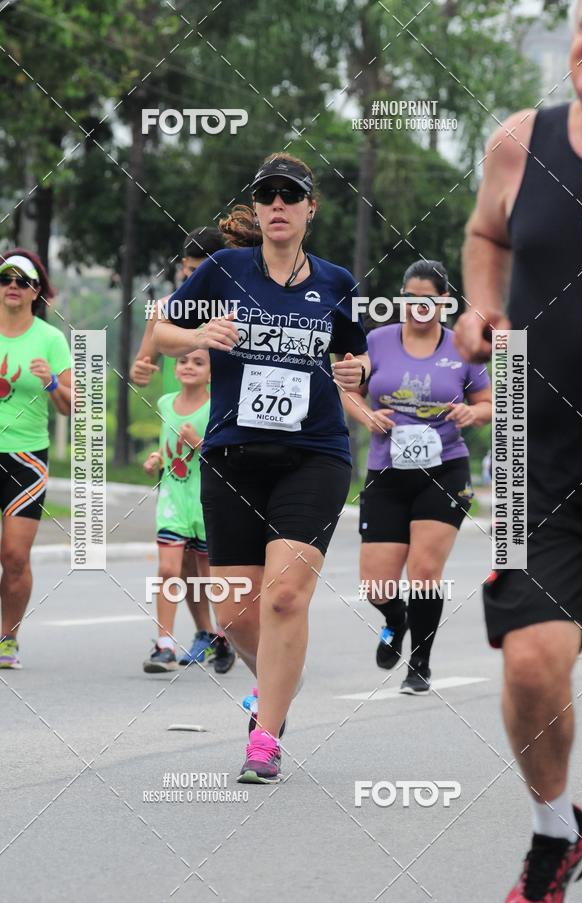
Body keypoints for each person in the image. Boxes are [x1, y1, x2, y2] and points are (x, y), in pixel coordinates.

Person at [155, 151, 369, 783]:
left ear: (309, 209)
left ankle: (266, 735)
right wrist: (198, 337)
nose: (277, 205)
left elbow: (356, 365)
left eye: (289, 195)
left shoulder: (337, 284)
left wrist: (358, 375)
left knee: (284, 599)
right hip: (232, 456)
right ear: (257, 208)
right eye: (267, 195)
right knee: (235, 615)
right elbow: (163, 329)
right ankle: (278, 681)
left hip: (315, 456)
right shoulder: (223, 270)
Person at [454, 2, 582, 898]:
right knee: (531, 660)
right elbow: (485, 234)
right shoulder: (520, 140)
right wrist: (480, 309)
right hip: (532, 457)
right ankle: (558, 830)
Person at [342, 260, 491, 693]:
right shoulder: (378, 340)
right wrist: (368, 416)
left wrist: (471, 411)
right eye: (409, 300)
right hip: (387, 471)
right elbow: (350, 389)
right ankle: (396, 619)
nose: (417, 308)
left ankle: (420, 663)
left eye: (427, 300)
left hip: (444, 468)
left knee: (424, 572)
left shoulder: (462, 347)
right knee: (375, 585)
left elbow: (489, 403)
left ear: (444, 302)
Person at [131, 228, 234, 673]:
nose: (190, 280)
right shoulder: (167, 310)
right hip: (176, 448)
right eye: (186, 272)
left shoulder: (236, 309)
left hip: (219, 442)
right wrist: (141, 367)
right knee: (181, 562)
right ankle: (189, 636)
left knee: (210, 563)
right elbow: (144, 364)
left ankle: (225, 632)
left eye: (198, 273)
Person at [0, 250, 72, 669]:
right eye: (5, 278)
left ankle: (8, 638)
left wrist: (50, 383)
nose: (12, 286)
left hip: (26, 459)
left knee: (13, 555)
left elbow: (70, 406)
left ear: (36, 291)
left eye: (22, 281)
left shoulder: (49, 339)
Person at [141, 349, 234, 672]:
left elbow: (226, 454)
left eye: (198, 362)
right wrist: (157, 457)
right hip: (172, 498)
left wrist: (199, 442)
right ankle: (163, 644)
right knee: (169, 570)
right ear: (175, 368)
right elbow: (170, 445)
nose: (189, 367)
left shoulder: (217, 406)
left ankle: (220, 637)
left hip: (207, 500)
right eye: (183, 361)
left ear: (212, 372)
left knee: (206, 577)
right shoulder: (166, 403)